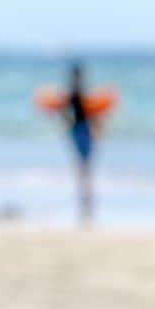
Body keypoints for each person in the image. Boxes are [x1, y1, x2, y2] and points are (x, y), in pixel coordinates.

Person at [62, 63, 96, 224]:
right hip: (80, 130)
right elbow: (68, 114)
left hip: (80, 129)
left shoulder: (76, 92)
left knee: (83, 164)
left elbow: (65, 115)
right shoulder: (76, 93)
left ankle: (84, 195)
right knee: (84, 164)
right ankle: (85, 196)